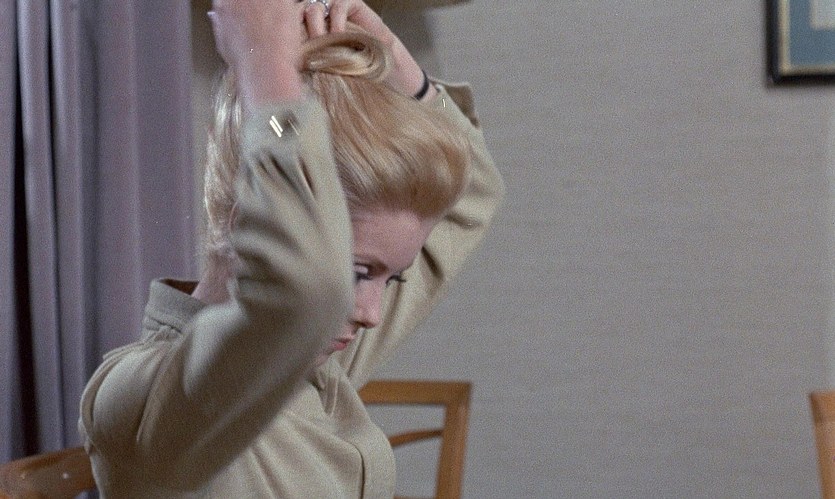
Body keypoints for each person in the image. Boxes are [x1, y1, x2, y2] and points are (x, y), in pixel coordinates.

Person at [78, 0, 504, 496]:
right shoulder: (145, 403)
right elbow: (303, 289)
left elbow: (470, 193)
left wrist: (393, 57)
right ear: (253, 220)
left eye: (392, 278)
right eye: (357, 272)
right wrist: (264, 65)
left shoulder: (310, 356)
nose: (371, 314)